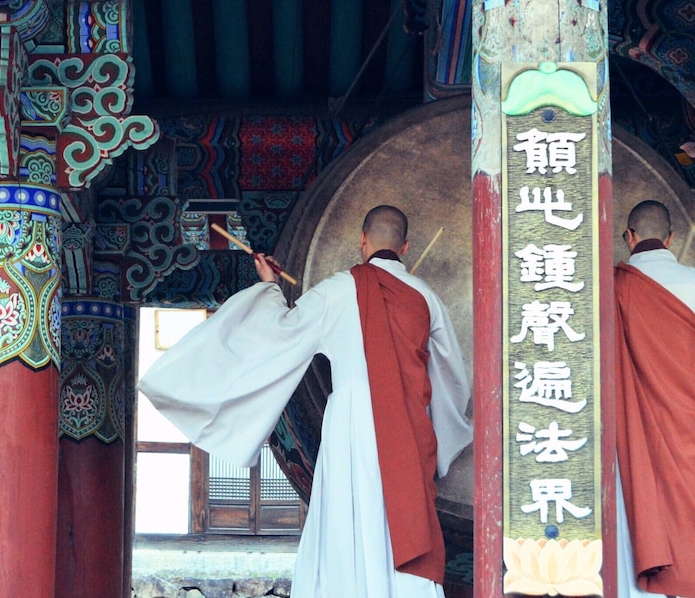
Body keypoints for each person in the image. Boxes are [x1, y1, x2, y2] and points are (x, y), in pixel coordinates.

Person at [138, 205, 473, 597]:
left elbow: (282, 333)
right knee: (404, 519)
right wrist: (440, 431)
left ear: (362, 242)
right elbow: (453, 380)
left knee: (346, 517)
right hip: (408, 426)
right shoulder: (426, 298)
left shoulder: (336, 289)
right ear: (406, 247)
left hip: (350, 421)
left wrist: (269, 286)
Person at [615, 200, 695, 598]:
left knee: (634, 522)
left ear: (628, 237)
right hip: (689, 429)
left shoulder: (611, 287)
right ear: (671, 238)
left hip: (630, 436)